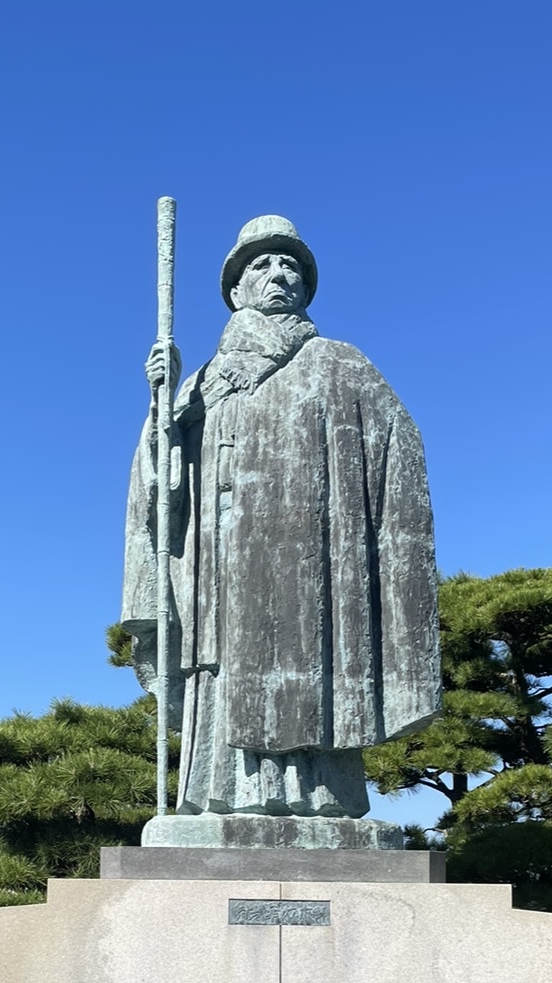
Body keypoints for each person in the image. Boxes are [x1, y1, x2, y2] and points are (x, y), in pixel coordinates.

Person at [122, 215, 440, 828]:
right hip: (217, 562)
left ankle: (319, 798)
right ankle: (217, 796)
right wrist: (161, 403)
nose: (278, 274)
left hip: (307, 561)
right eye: (261, 265)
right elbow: (159, 485)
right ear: (237, 288)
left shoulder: (338, 364)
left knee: (306, 663)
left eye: (290, 265)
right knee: (220, 666)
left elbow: (397, 457)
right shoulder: (204, 381)